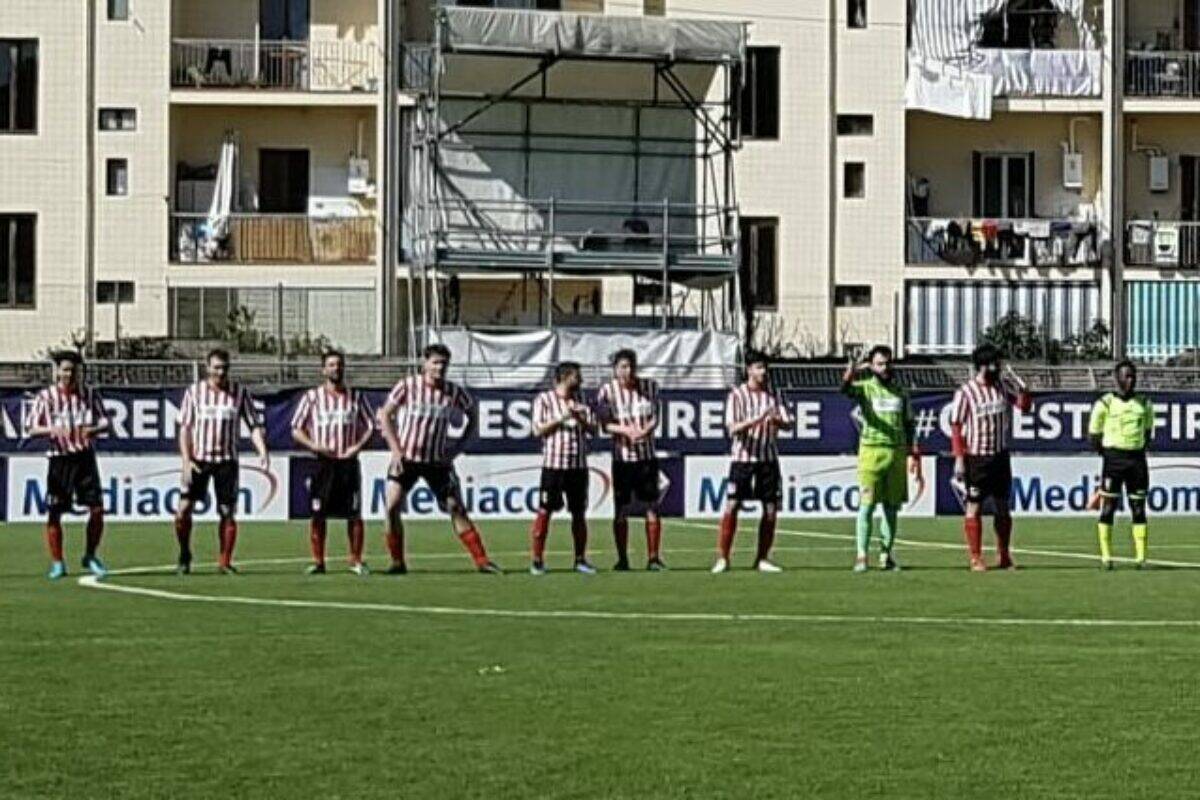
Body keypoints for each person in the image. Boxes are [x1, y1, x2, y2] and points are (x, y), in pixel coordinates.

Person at [377, 344, 501, 575]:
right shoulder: (407, 386)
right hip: (408, 459)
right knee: (392, 505)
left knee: (456, 507)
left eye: (444, 363)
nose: (440, 368)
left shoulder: (453, 392)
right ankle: (397, 562)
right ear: (425, 364)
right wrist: (395, 450)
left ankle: (482, 561)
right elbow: (385, 414)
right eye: (435, 362)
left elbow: (473, 417)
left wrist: (457, 448)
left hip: (438, 462)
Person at [174, 348, 269, 575]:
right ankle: (184, 553)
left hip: (227, 461)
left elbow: (253, 425)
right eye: (216, 367)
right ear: (207, 368)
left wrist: (262, 451)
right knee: (183, 509)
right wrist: (186, 461)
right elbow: (185, 428)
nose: (220, 372)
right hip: (199, 459)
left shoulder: (239, 393)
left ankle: (224, 561)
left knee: (227, 511)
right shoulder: (194, 393)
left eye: (224, 368)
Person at [25, 351, 110, 580]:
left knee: (97, 509)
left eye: (73, 370)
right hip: (59, 459)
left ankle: (91, 555)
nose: (69, 375)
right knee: (54, 512)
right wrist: (51, 430)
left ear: (80, 372)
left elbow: (105, 421)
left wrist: (94, 429)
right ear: (57, 372)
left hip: (84, 457)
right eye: (64, 370)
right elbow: (31, 427)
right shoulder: (46, 397)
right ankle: (57, 562)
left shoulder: (89, 395)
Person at [291, 349, 376, 576]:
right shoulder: (311, 398)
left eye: (338, 365)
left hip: (348, 462)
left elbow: (370, 425)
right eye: (330, 365)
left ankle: (356, 560)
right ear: (323, 369)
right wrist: (314, 446)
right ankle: (318, 561)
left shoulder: (356, 397)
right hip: (322, 463)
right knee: (318, 513)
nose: (335, 368)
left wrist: (357, 446)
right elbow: (296, 429)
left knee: (354, 513)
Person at [950, 344, 1032, 572]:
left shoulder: (1002, 387)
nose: (999, 369)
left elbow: (1023, 408)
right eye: (995, 364)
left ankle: (1004, 555)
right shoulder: (966, 392)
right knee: (973, 506)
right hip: (977, 458)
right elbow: (956, 425)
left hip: (999, 456)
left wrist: (1024, 390)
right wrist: (959, 458)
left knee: (1003, 507)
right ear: (983, 366)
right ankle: (975, 557)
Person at [841, 345, 923, 572]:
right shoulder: (865, 388)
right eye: (879, 364)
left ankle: (886, 556)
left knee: (891, 508)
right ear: (871, 366)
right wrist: (851, 370)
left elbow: (909, 424)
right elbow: (844, 389)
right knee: (866, 506)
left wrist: (913, 452)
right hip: (871, 452)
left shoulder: (900, 392)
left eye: (887, 363)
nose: (884, 368)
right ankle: (861, 555)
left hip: (896, 453)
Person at [713, 353, 794, 574]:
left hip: (768, 459)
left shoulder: (774, 394)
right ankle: (723, 558)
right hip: (743, 459)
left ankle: (762, 558)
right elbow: (732, 428)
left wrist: (776, 420)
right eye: (758, 368)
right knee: (732, 505)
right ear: (749, 370)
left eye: (765, 367)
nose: (763, 372)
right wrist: (758, 419)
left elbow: (789, 423)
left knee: (770, 509)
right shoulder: (737, 395)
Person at [596, 349, 665, 571]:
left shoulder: (650, 387)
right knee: (621, 509)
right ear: (615, 369)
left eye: (631, 366)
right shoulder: (607, 391)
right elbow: (605, 424)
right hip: (622, 459)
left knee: (652, 507)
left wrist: (646, 430)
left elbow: (656, 416)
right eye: (623, 367)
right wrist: (626, 430)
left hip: (647, 457)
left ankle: (653, 558)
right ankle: (622, 559)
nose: (627, 371)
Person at [528, 361, 599, 575]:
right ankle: (537, 560)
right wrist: (562, 418)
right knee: (545, 511)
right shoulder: (545, 400)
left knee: (579, 513)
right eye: (577, 377)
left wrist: (579, 417)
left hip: (578, 466)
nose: (581, 381)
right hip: (554, 466)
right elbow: (538, 430)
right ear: (565, 377)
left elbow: (594, 430)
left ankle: (580, 559)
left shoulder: (581, 400)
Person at [1088, 361, 1155, 570]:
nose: (1131, 380)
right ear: (1117, 378)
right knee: (1108, 508)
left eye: (1133, 376)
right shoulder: (1104, 404)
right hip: (1113, 460)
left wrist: (1136, 448)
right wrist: (1108, 454)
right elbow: (1094, 434)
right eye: (1127, 376)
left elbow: (1147, 432)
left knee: (1138, 508)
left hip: (1136, 460)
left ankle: (1141, 558)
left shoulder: (1144, 404)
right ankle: (1106, 557)